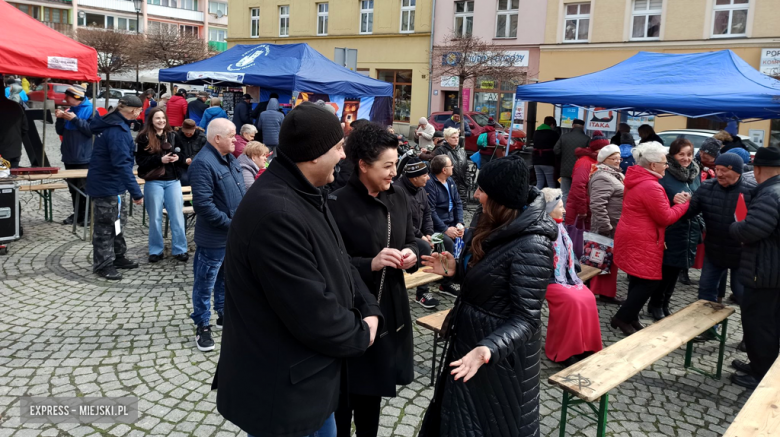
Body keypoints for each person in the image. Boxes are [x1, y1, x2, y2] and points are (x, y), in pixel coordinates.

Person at [213, 102, 382, 437]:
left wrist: (370, 308)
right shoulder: (277, 212)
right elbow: (311, 312)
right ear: (314, 154)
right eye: (337, 148)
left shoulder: (305, 194)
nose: (343, 156)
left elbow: (341, 262)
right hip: (283, 395)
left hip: (309, 384)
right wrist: (363, 332)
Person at [418, 154, 556, 437]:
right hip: (468, 341)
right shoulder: (488, 221)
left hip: (499, 359)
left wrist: (488, 349)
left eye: (483, 190)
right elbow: (488, 278)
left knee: (487, 425)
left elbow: (527, 319)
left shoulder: (532, 244)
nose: (477, 194)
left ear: (500, 198)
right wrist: (456, 271)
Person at [329, 122, 418, 437]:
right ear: (363, 165)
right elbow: (331, 265)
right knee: (343, 401)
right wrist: (372, 263)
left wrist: (411, 253)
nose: (394, 172)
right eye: (388, 165)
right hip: (351, 314)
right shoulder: (336, 204)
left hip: (389, 311)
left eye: (395, 164)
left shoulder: (398, 197)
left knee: (371, 404)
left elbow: (415, 239)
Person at [610, 142, 690, 335]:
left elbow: (652, 208)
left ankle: (632, 317)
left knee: (638, 278)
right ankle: (622, 318)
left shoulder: (638, 179)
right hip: (643, 238)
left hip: (633, 234)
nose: (667, 166)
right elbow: (665, 217)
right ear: (653, 165)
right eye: (664, 162)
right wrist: (684, 204)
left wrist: (671, 202)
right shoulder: (651, 186)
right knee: (649, 281)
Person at [188, 118, 246, 352]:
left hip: (231, 235)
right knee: (205, 282)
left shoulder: (229, 157)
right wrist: (231, 224)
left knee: (225, 278)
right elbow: (203, 205)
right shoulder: (203, 163)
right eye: (232, 135)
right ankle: (202, 325)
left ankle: (222, 313)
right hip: (214, 238)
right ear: (217, 138)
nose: (236, 139)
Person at [729, 145, 780, 389]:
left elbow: (752, 230)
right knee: (764, 320)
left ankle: (760, 372)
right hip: (770, 269)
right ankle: (758, 363)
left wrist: (735, 226)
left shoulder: (771, 193)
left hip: (766, 271)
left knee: (760, 323)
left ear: (758, 169)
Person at [541, 188, 603, 366]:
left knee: (588, 297)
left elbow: (570, 255)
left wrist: (572, 270)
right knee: (572, 301)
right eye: (560, 206)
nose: (565, 210)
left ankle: (585, 347)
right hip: (547, 279)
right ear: (549, 209)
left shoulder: (559, 226)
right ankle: (561, 351)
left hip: (564, 277)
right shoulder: (542, 229)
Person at [87, 95, 145, 280]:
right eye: (140, 110)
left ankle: (118, 256)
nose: (140, 113)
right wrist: (136, 192)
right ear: (134, 111)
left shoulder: (113, 123)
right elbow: (121, 164)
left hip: (114, 185)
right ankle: (103, 264)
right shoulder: (117, 130)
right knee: (106, 227)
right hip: (107, 186)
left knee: (118, 223)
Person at [686, 153, 755, 306]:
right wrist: (679, 201)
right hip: (714, 251)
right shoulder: (706, 187)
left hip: (742, 255)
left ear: (738, 172)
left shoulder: (752, 192)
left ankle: (751, 329)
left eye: (724, 170)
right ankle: (709, 328)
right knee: (706, 291)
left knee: (743, 295)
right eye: (717, 169)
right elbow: (688, 212)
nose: (719, 174)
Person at [648, 138, 702, 320]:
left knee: (677, 268)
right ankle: (655, 304)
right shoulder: (665, 174)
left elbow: (699, 197)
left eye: (689, 154)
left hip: (689, 228)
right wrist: (674, 201)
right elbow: (657, 201)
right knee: (666, 269)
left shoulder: (695, 172)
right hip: (671, 227)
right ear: (673, 155)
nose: (686, 158)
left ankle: (665, 303)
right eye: (681, 154)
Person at [135, 108, 189, 264]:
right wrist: (160, 160)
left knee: (177, 217)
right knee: (155, 218)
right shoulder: (143, 138)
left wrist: (178, 158)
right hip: (154, 181)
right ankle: (155, 250)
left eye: (163, 118)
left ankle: (180, 249)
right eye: (157, 118)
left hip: (173, 181)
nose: (161, 121)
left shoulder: (173, 135)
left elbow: (184, 157)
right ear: (151, 120)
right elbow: (141, 163)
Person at [394, 157, 440, 309]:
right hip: (403, 235)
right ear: (414, 178)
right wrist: (421, 236)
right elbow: (401, 220)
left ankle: (445, 283)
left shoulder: (421, 189)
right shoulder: (398, 191)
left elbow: (427, 214)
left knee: (442, 241)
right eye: (425, 175)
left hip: (420, 233)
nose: (428, 177)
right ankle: (422, 293)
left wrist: (429, 233)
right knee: (424, 247)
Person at [588, 144, 625, 304]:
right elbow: (597, 204)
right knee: (600, 260)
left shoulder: (615, 174)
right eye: (613, 158)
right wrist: (605, 226)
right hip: (607, 226)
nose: (617, 161)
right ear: (604, 159)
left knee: (609, 261)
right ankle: (596, 293)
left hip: (615, 225)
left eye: (619, 158)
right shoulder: (602, 176)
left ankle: (606, 293)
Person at [425, 154, 464, 297]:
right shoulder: (430, 184)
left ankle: (457, 274)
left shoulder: (450, 181)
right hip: (436, 229)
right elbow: (431, 211)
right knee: (448, 243)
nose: (453, 167)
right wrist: (445, 229)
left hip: (451, 224)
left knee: (467, 238)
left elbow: (458, 203)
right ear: (443, 170)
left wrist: (459, 223)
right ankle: (446, 284)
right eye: (450, 166)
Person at [54, 85, 93, 226]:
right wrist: (59, 118)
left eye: (67, 96)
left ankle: (88, 214)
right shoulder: (69, 110)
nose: (64, 99)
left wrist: (75, 119)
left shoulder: (91, 110)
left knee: (85, 188)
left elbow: (91, 131)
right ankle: (77, 213)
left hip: (85, 156)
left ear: (77, 97)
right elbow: (60, 131)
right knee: (73, 188)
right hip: (69, 155)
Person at [565, 130, 610, 228]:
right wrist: (582, 209)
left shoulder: (597, 161)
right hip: (579, 208)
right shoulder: (584, 162)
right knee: (577, 238)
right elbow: (578, 185)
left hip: (589, 207)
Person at [554, 118, 590, 205]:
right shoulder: (587, 138)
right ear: (583, 127)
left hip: (565, 169)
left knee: (564, 193)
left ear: (573, 126)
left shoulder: (564, 137)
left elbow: (556, 150)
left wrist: (563, 156)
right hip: (580, 170)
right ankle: (574, 214)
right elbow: (589, 153)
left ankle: (563, 214)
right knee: (578, 194)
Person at [0, 76, 28, 168]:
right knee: (11, 180)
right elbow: (25, 129)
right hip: (13, 150)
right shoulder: (17, 106)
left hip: (5, 153)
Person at [433, 127, 468, 197]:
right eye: (453, 137)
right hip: (446, 186)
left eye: (457, 137)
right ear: (446, 139)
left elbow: (466, 168)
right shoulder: (441, 150)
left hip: (462, 187)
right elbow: (437, 170)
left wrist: (467, 182)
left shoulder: (462, 152)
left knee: (462, 206)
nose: (456, 139)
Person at [174, 119, 207, 187]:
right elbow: (174, 152)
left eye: (190, 132)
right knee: (184, 179)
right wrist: (184, 160)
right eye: (186, 132)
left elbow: (205, 153)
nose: (188, 134)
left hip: (197, 164)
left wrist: (193, 159)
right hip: (181, 165)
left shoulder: (202, 137)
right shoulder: (177, 136)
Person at [532, 116, 560, 189]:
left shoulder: (536, 132)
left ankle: (536, 198)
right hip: (548, 161)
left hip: (536, 161)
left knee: (539, 183)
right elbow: (557, 147)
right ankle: (553, 200)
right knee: (551, 184)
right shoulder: (553, 134)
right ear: (552, 124)